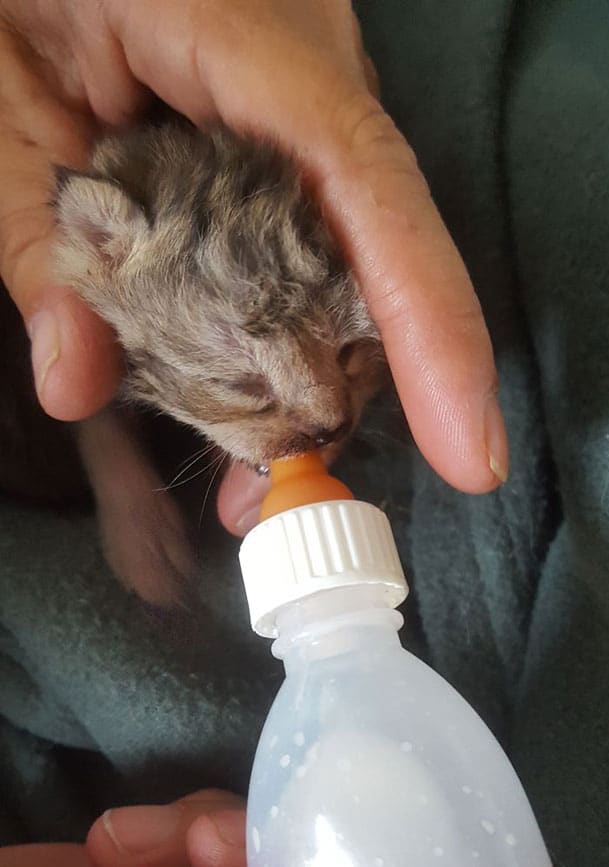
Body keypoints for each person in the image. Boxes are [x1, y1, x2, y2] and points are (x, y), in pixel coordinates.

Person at [0, 1, 510, 863]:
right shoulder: (112, 249)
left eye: (347, 350)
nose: (326, 415)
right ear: (97, 248)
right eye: (244, 382)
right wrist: (119, 474)